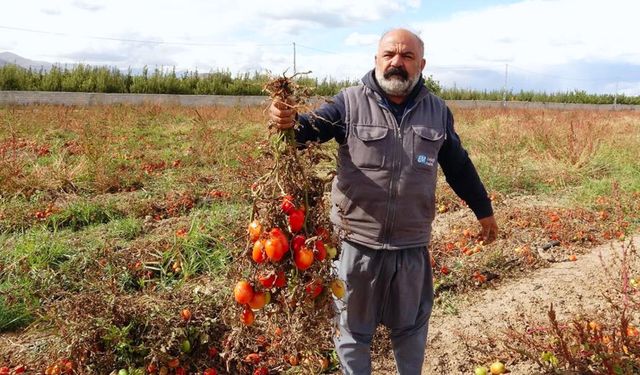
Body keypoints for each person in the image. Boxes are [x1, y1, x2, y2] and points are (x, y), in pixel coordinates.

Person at [269, 28, 499, 375]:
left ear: (421, 64)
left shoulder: (437, 111)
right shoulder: (348, 102)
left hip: (411, 248)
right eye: (390, 54)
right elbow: (307, 130)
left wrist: (484, 210)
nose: (397, 63)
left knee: (410, 332)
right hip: (355, 246)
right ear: (376, 59)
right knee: (352, 334)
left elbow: (459, 166)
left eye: (407, 56)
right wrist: (287, 122)